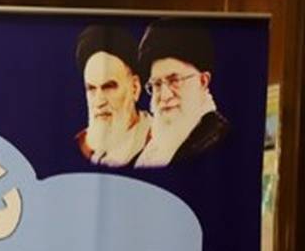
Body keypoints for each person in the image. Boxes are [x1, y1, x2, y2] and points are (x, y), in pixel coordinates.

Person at [135, 20, 229, 167]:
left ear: (203, 81)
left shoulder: (220, 144)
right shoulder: (151, 150)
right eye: (157, 84)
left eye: (175, 80)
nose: (165, 96)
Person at [74, 25, 151, 167]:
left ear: (135, 88)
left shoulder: (159, 141)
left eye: (108, 87)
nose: (99, 101)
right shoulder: (78, 146)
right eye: (91, 89)